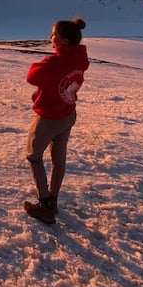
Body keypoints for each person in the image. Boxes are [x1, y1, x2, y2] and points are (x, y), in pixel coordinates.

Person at [23, 17, 89, 224]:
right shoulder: (79, 59)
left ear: (64, 41)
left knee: (34, 156)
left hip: (49, 117)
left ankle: (44, 205)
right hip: (67, 114)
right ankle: (53, 198)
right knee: (59, 158)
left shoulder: (55, 62)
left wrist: (46, 62)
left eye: (54, 35)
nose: (50, 38)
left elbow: (31, 76)